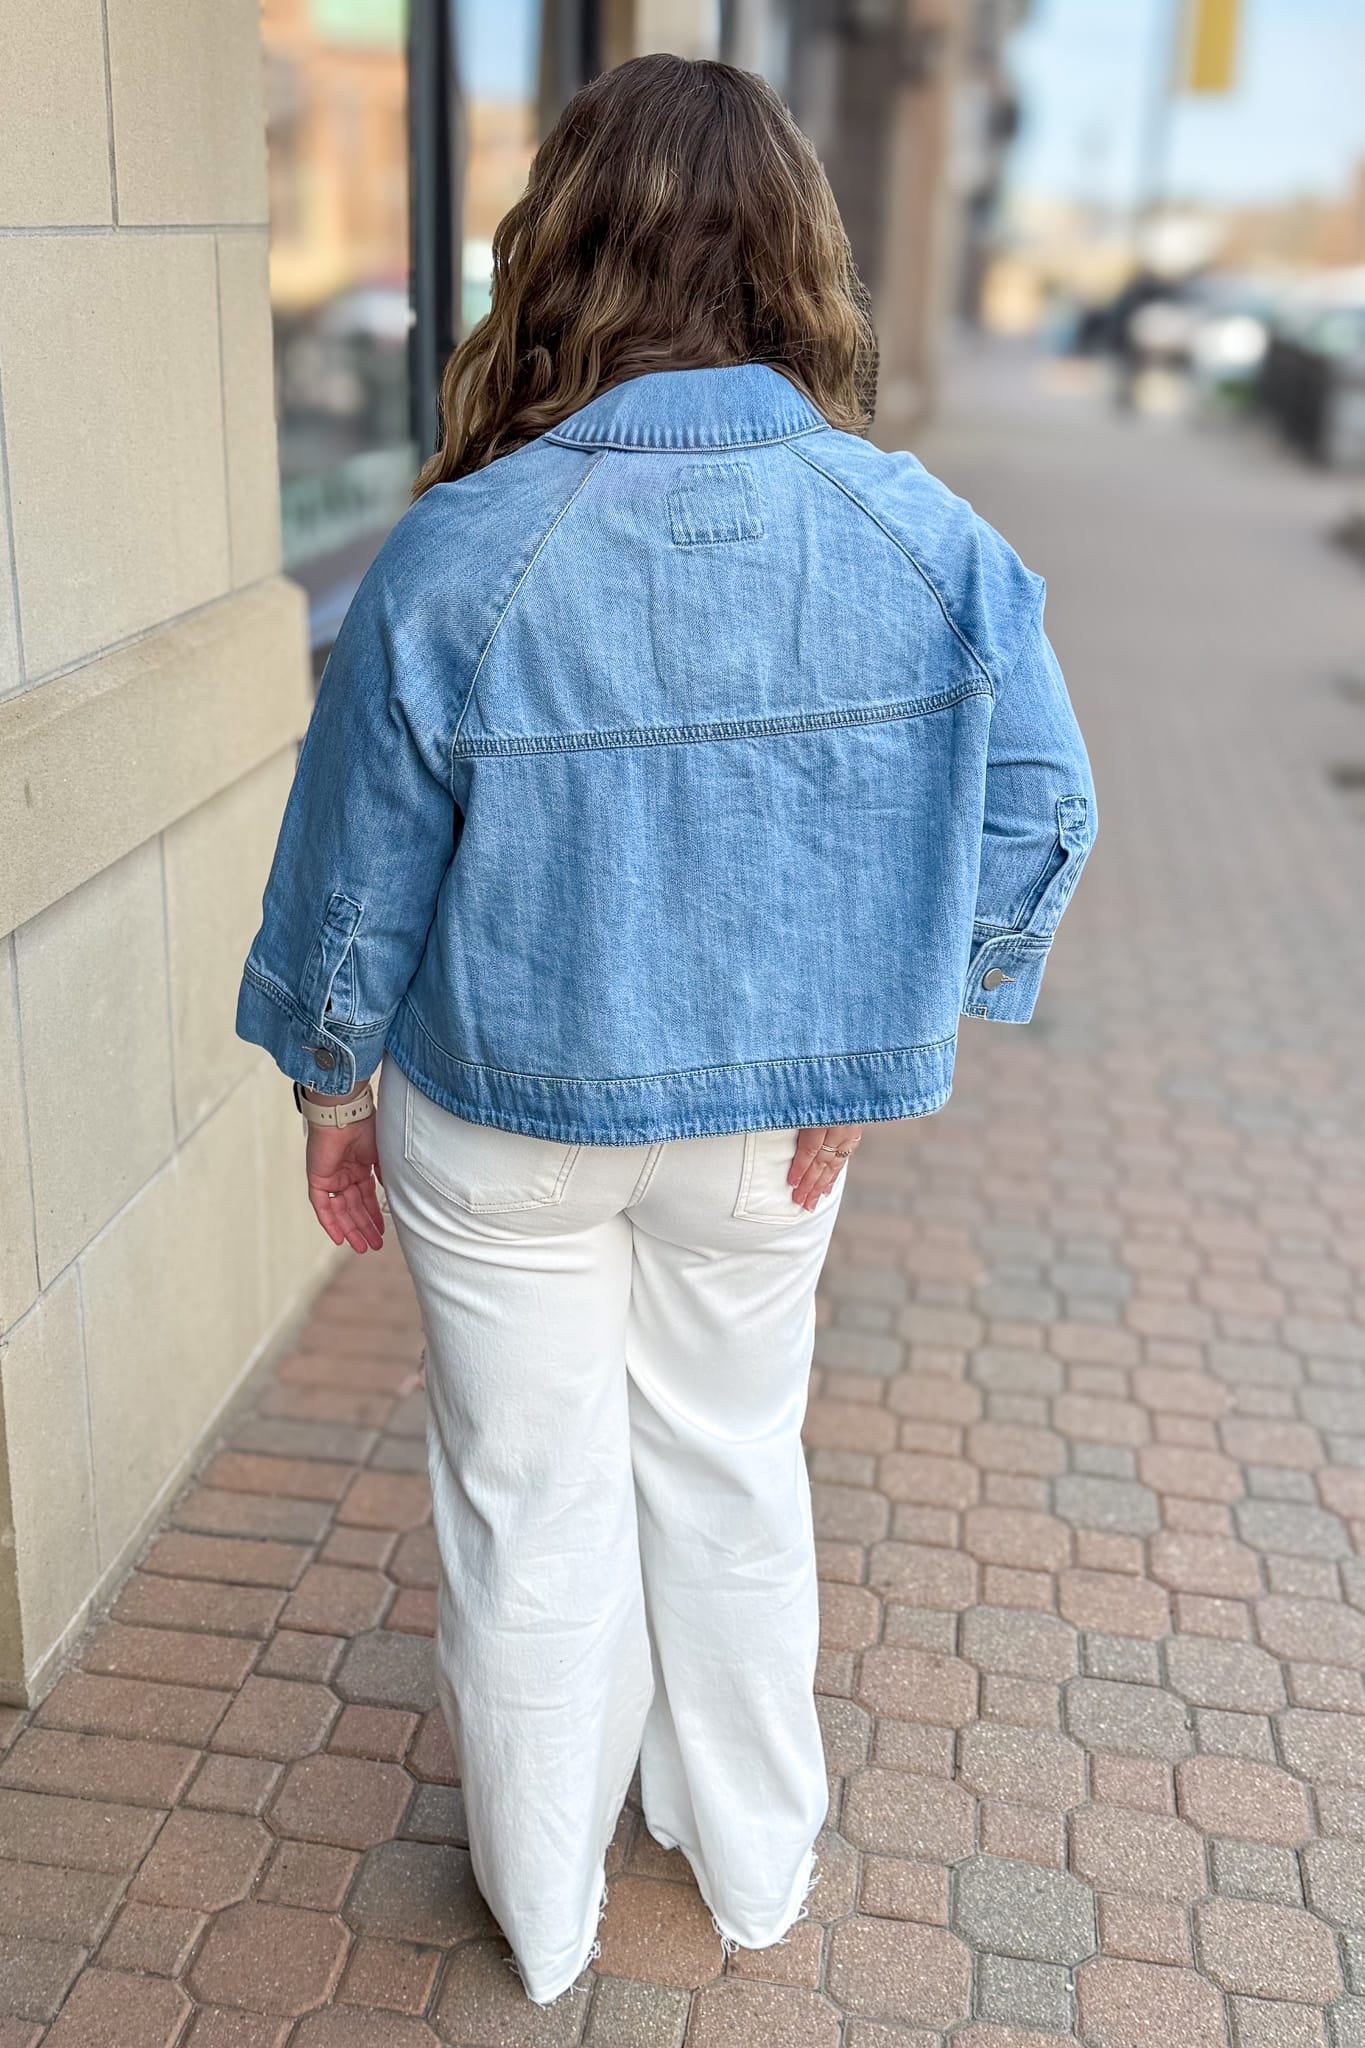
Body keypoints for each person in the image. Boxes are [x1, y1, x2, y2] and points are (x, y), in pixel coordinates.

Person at [236, 51, 1096, 2007]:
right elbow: (1043, 808)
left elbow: (354, 883)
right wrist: (880, 1032)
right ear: (798, 258)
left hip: (499, 1111)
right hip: (766, 1130)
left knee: (525, 1502)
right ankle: (752, 1859)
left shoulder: (457, 548)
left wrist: (327, 1087)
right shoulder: (918, 533)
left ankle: (543, 1911)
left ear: (555, 251)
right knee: (728, 1460)